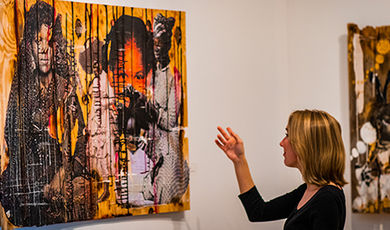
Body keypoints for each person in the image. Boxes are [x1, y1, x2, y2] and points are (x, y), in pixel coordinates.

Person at [215, 109, 346, 229]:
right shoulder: (309, 190)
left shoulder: (327, 198)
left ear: (306, 143)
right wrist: (239, 160)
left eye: (287, 135)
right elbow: (258, 212)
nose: (282, 142)